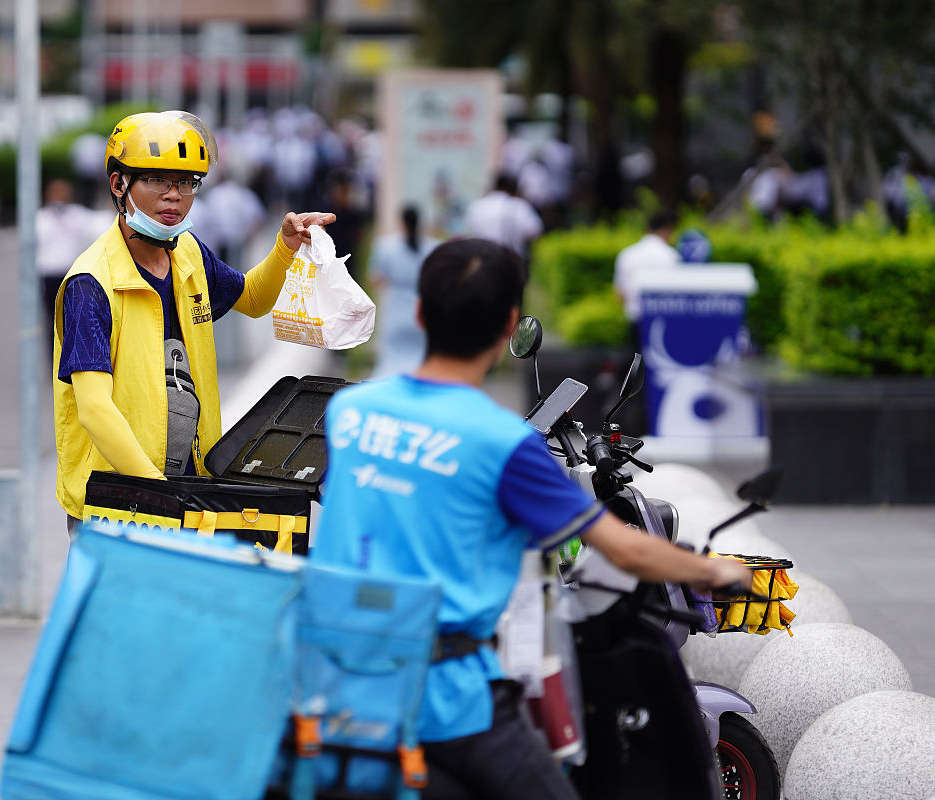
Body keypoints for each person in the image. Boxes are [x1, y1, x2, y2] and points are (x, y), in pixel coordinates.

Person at [313, 238, 751, 800]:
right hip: (443, 696)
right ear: (509, 326)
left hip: (338, 677)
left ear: (420, 313)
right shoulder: (503, 442)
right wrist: (715, 573)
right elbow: (623, 548)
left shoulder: (351, 412)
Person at [53, 110, 335, 531]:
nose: (175, 196)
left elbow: (254, 298)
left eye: (187, 182)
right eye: (157, 180)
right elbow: (95, 409)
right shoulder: (91, 284)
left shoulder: (189, 253)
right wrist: (159, 494)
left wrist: (285, 248)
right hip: (116, 508)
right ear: (118, 184)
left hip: (187, 492)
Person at [36, 178, 110, 356]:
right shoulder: (40, 218)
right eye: (56, 191)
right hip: (49, 274)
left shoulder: (78, 215)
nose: (60, 195)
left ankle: (74, 357)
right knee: (53, 320)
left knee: (76, 318)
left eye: (64, 191)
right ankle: (55, 358)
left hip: (72, 274)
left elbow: (102, 222)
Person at [367, 205, 439, 379]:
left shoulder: (385, 245)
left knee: (391, 361)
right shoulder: (432, 247)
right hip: (422, 308)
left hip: (396, 307)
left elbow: (375, 278)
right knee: (421, 359)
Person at [612, 210, 681, 325]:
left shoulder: (626, 254)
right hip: (664, 320)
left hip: (634, 318)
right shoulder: (671, 256)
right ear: (667, 229)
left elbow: (620, 294)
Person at [464, 175, 543, 264]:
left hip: (482, 263)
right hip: (512, 263)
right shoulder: (519, 205)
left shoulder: (477, 206)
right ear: (511, 187)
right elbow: (535, 231)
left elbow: (470, 229)